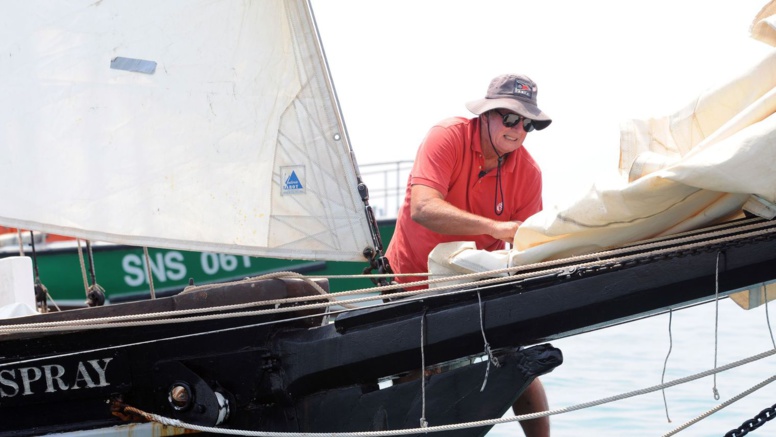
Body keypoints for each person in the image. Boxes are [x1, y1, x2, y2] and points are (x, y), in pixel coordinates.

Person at [384, 73, 552, 437]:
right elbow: (423, 208)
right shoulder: (446, 136)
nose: (517, 129)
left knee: (518, 360)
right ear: (486, 115)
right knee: (418, 372)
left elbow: (530, 246)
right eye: (509, 117)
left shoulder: (530, 173)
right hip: (412, 281)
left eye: (527, 123)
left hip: (475, 282)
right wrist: (495, 227)